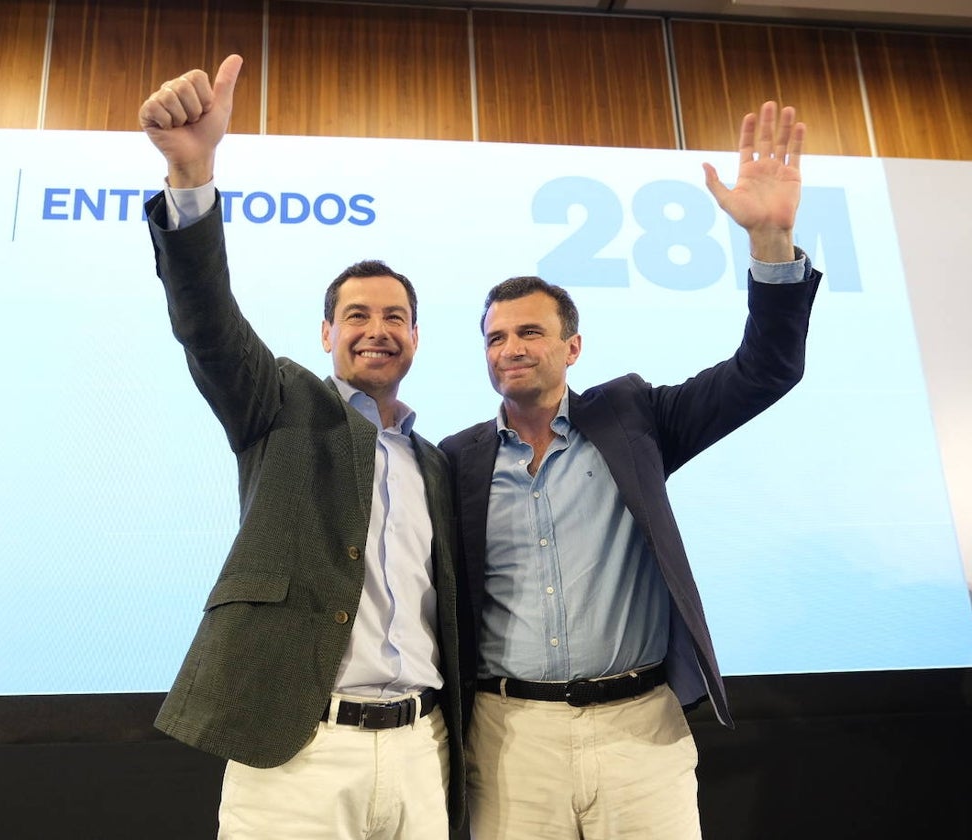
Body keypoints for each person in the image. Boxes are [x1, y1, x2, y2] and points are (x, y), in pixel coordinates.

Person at [439, 101, 820, 839]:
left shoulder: (633, 418)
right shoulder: (456, 460)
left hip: (640, 731)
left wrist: (771, 240)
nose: (510, 348)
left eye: (530, 332)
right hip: (511, 735)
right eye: (495, 337)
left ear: (573, 348)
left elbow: (766, 369)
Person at [138, 55, 463, 839]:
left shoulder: (441, 463)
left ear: (415, 336)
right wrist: (192, 175)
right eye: (356, 315)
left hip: (423, 752)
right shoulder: (279, 401)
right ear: (327, 334)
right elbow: (207, 324)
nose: (376, 329)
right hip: (298, 754)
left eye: (394, 316)